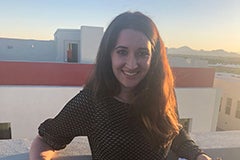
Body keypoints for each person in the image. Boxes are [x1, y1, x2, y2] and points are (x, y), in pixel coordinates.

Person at [30, 11, 212, 160]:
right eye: (122, 52)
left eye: (142, 53)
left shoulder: (162, 95)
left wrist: (198, 155)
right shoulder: (92, 102)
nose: (132, 64)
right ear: (109, 55)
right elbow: (46, 140)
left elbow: (173, 132)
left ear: (153, 58)